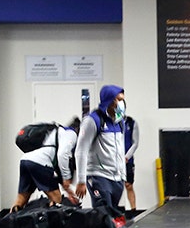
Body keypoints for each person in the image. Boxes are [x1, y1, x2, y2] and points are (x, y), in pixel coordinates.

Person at [75, 84, 127, 214]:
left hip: (117, 178)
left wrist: (123, 175)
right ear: (110, 101)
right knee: (103, 215)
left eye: (123, 100)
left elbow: (120, 149)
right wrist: (81, 180)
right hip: (98, 176)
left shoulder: (120, 121)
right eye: (119, 100)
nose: (122, 103)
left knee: (112, 215)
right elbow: (81, 150)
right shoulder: (93, 120)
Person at [12, 119, 79, 210]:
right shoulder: (71, 133)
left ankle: (11, 218)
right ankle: (53, 219)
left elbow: (57, 166)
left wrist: (68, 190)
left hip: (25, 160)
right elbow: (62, 155)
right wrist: (66, 177)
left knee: (20, 200)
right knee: (56, 199)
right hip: (40, 163)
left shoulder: (54, 133)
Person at [122, 113, 139, 211]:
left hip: (127, 160)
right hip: (113, 160)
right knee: (113, 187)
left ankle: (133, 210)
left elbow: (135, 143)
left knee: (129, 185)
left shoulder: (131, 123)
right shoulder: (109, 123)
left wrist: (127, 157)